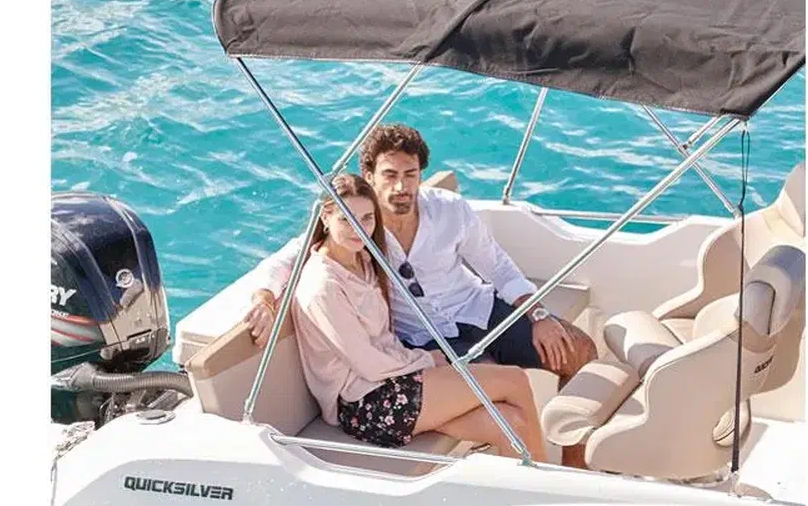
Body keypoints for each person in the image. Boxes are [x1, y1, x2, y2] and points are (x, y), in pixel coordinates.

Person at [246, 123, 596, 466]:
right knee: (500, 397)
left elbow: (498, 267)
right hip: (420, 344)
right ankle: (535, 479)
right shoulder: (357, 231)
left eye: (410, 174)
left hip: (477, 310)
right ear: (369, 176)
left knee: (579, 350)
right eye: (389, 175)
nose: (401, 186)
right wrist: (264, 298)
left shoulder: (446, 210)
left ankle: (574, 470)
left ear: (420, 174)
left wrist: (538, 315)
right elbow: (287, 261)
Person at [288, 172, 549, 460]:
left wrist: (420, 361)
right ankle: (552, 480)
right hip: (366, 403)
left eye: (367, 218)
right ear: (325, 217)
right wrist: (427, 360)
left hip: (397, 378)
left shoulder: (364, 259)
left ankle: (529, 483)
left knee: (512, 424)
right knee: (514, 380)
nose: (358, 229)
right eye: (347, 219)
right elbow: (368, 364)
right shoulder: (322, 286)